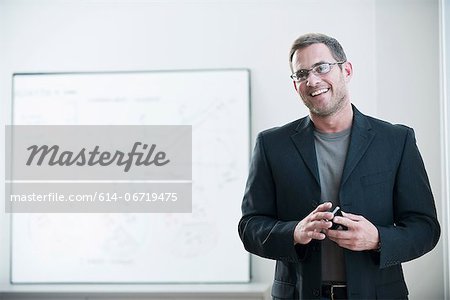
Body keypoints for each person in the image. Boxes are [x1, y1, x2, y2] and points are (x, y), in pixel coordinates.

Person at [238, 33, 440, 300]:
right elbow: (250, 226)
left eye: (322, 67)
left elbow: (425, 227)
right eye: (301, 74)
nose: (312, 80)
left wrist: (378, 239)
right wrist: (294, 233)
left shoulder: (396, 140)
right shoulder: (271, 144)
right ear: (295, 85)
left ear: (346, 70)